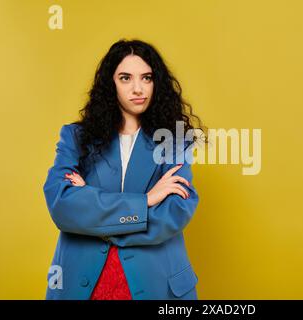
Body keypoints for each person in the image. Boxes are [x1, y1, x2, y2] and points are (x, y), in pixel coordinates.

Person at [43, 39, 205, 300]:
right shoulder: (75, 137)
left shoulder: (175, 140)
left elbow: (175, 212)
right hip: (83, 284)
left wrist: (94, 212)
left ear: (156, 83)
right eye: (126, 78)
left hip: (155, 282)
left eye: (147, 78)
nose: (138, 88)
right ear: (111, 83)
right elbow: (61, 204)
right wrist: (146, 201)